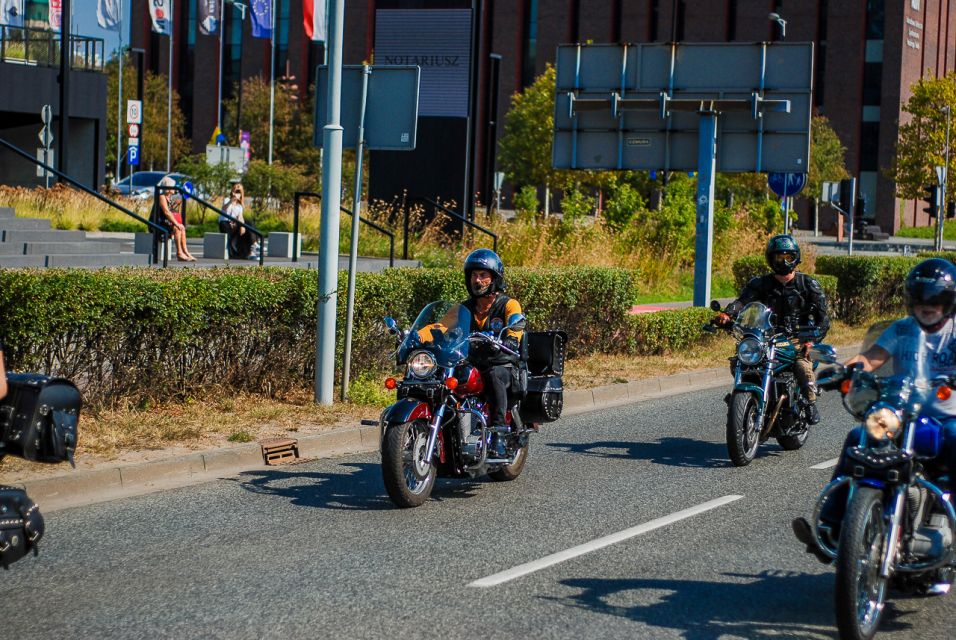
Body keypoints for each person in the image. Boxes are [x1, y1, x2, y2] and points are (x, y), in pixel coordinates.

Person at [792, 257, 956, 563]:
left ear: (949, 300)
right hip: (901, 413)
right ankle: (831, 525)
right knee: (858, 439)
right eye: (920, 298)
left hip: (946, 416)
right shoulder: (903, 329)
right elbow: (872, 357)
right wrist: (845, 370)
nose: (927, 305)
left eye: (936, 298)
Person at [716, 234, 830, 424]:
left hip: (797, 338)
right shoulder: (760, 284)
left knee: (802, 366)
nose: (784, 262)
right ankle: (744, 399)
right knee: (740, 361)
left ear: (796, 258)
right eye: (779, 257)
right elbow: (742, 302)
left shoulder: (808, 285)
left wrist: (812, 341)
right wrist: (728, 314)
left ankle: (809, 403)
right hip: (766, 336)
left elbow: (823, 318)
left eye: (788, 257)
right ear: (771, 259)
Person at [460, 249, 525, 453]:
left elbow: (516, 325)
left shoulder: (508, 304)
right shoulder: (465, 308)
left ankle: (498, 431)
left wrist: (512, 339)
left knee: (494, 375)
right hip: (473, 362)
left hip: (502, 363)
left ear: (494, 278)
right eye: (473, 275)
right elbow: (443, 326)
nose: (477, 280)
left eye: (482, 275)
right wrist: (420, 335)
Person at [157, 175, 197, 262]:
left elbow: (171, 212)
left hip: (166, 222)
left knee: (182, 227)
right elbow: (166, 212)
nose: (175, 188)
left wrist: (176, 205)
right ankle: (179, 253)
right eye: (173, 186)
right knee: (177, 227)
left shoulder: (169, 197)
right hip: (159, 223)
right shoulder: (162, 197)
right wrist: (176, 223)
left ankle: (186, 252)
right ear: (168, 187)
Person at [220, 183, 255, 259]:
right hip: (225, 223)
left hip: (234, 224)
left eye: (239, 192)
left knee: (248, 223)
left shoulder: (239, 206)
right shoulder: (227, 200)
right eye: (236, 190)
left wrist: (242, 226)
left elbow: (240, 217)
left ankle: (251, 247)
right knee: (227, 224)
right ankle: (236, 252)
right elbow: (224, 208)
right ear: (232, 191)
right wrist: (232, 200)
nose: (237, 193)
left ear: (241, 194)